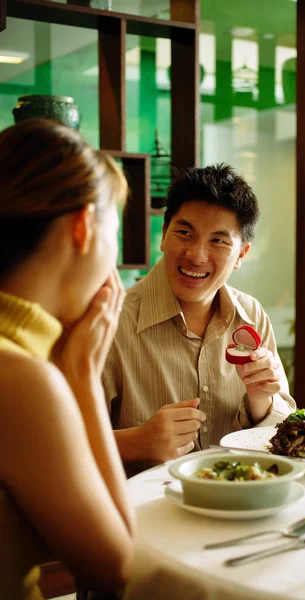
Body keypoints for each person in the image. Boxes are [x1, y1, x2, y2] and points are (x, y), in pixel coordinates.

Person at [0, 118, 135, 599]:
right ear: (83, 227)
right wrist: (82, 375)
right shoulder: (22, 379)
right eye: (114, 234)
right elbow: (120, 569)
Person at [103, 164, 296, 476]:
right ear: (163, 235)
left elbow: (286, 434)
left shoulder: (252, 315)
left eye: (218, 241)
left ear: (242, 255)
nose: (197, 255)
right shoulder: (111, 321)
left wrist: (260, 401)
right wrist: (137, 442)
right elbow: (59, 446)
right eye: (184, 233)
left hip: (238, 506)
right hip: (145, 515)